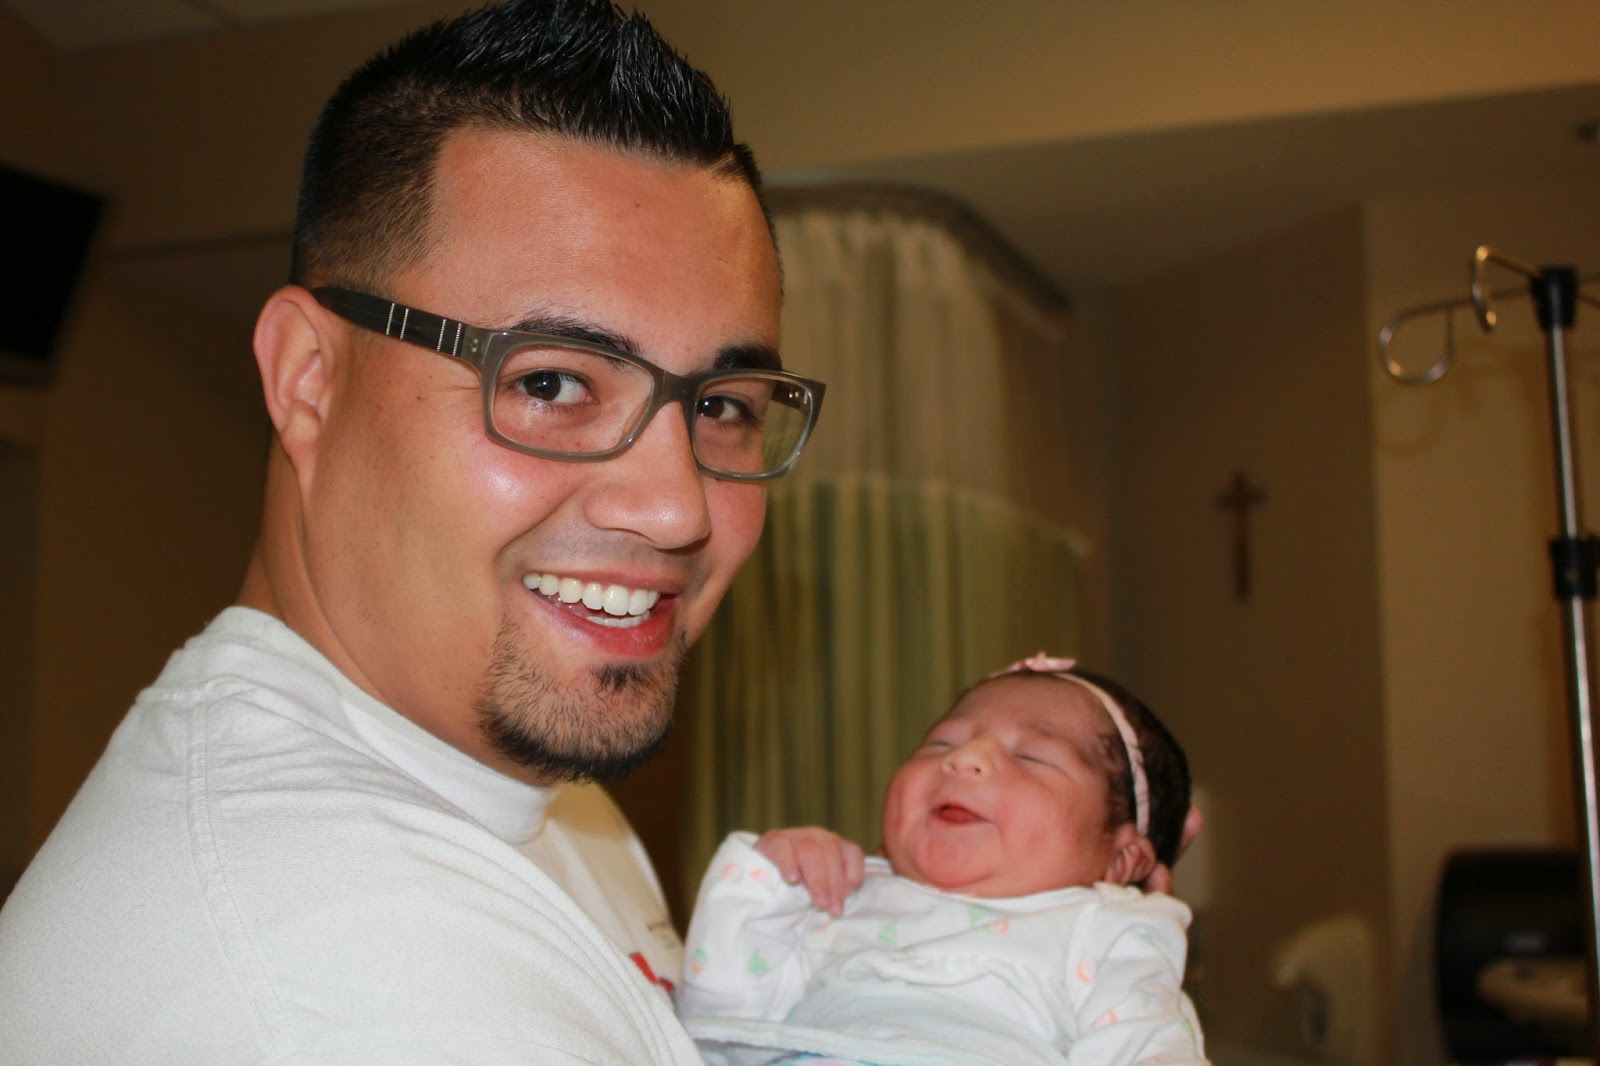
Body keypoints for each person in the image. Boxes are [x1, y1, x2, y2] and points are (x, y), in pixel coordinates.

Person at [0, 1, 824, 1062]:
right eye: (551, 382)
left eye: (722, 405)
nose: (677, 508)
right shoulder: (348, 981)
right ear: (308, 378)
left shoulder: (520, 783)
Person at [675, 653, 1208, 1066]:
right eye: (940, 744)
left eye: (1031, 756)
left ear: (1122, 859)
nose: (964, 759)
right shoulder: (837, 897)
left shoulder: (1105, 931)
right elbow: (715, 1028)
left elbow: (1150, 1050)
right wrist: (769, 880)